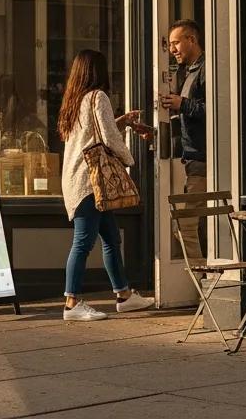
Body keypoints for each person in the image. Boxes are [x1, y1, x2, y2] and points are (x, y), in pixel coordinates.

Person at [58, 49, 154, 321]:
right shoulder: (98, 97)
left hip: (78, 179)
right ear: (98, 71)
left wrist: (120, 121)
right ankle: (71, 303)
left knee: (112, 238)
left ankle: (124, 295)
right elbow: (108, 138)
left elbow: (94, 133)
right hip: (91, 182)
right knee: (83, 242)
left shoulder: (74, 101)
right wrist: (129, 160)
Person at [160, 18, 207, 262]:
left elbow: (217, 111)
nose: (172, 50)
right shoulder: (189, 72)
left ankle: (204, 280)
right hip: (194, 161)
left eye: (176, 43)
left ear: (192, 39)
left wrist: (183, 104)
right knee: (196, 227)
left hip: (203, 161)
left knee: (184, 227)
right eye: (170, 45)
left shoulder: (206, 69)